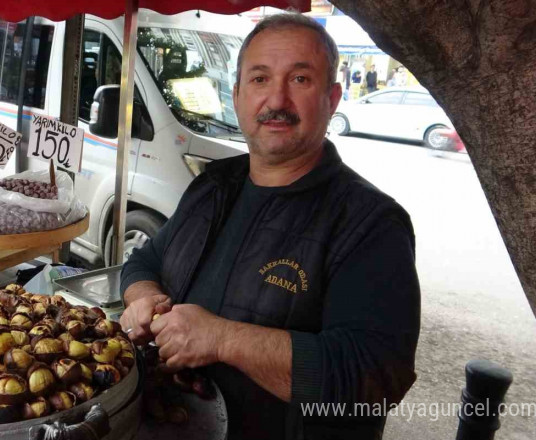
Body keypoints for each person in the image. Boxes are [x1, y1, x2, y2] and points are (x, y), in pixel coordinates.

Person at [119, 13, 420, 440]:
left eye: (300, 79)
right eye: (260, 79)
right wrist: (145, 299)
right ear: (238, 95)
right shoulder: (212, 185)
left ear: (332, 99)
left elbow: (373, 376)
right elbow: (145, 260)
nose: (276, 99)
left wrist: (221, 339)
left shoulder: (370, 223)